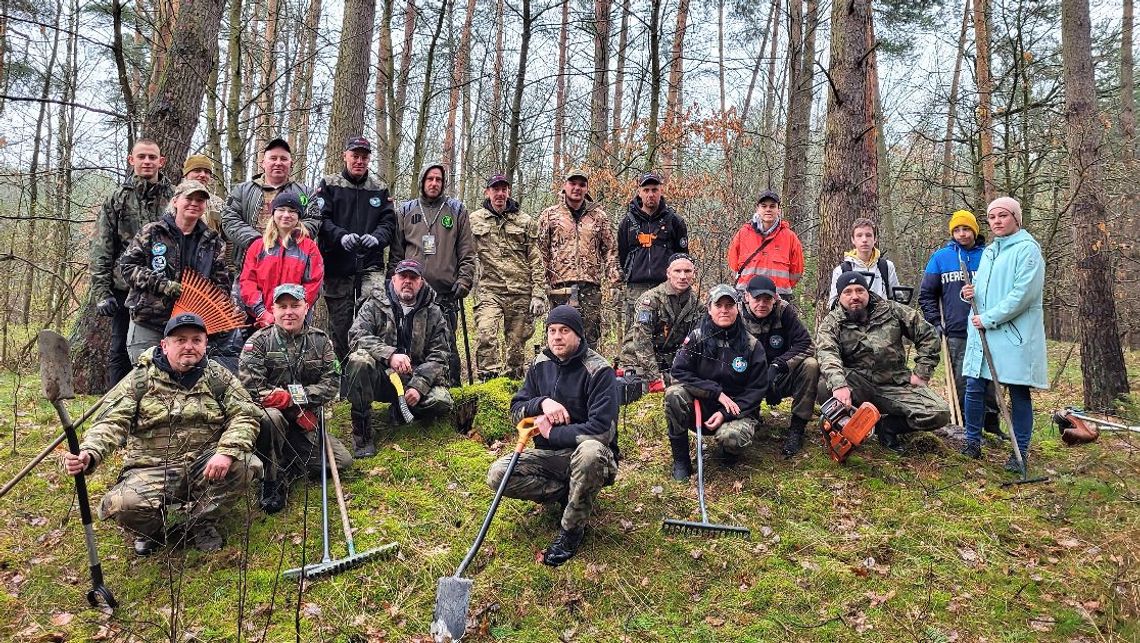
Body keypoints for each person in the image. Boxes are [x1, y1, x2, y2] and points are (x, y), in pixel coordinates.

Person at [61, 313, 261, 555]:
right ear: (164, 345)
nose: (189, 346)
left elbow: (246, 414)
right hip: (152, 468)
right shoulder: (140, 379)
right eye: (180, 340)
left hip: (204, 464)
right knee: (122, 505)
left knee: (245, 465)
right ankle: (154, 530)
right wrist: (89, 452)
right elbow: (111, 421)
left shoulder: (218, 377)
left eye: (196, 340)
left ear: (205, 344)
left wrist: (227, 452)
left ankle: (201, 521)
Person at [489, 305, 619, 567]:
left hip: (593, 458)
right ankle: (566, 494)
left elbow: (602, 431)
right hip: (549, 457)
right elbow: (516, 410)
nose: (557, 337)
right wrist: (542, 403)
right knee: (497, 475)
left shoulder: (600, 371)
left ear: (578, 335)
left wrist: (553, 433)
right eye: (552, 331)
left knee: (590, 452)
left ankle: (572, 530)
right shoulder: (540, 365)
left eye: (564, 331)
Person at [239, 284, 351, 514]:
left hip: (304, 423)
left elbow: (331, 384)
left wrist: (294, 399)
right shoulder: (257, 343)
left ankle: (289, 461)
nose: (288, 312)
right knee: (271, 417)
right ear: (273, 309)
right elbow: (250, 390)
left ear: (306, 307)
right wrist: (284, 404)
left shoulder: (320, 342)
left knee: (342, 462)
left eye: (295, 306)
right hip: (271, 423)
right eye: (282, 306)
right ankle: (271, 481)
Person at [816, 271, 950, 453]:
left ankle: (887, 427)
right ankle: (848, 427)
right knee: (824, 386)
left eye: (859, 290)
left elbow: (928, 335)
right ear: (839, 297)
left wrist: (922, 372)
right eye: (848, 292)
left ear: (867, 292)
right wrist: (839, 384)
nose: (855, 296)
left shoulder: (892, 310)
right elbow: (827, 353)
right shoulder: (832, 322)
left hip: (895, 384)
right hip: (858, 384)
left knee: (939, 413)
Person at [959, 197, 1047, 471]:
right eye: (992, 217)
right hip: (983, 330)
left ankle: (1019, 454)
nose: (996, 221)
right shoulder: (989, 252)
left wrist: (988, 319)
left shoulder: (1028, 251)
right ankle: (972, 444)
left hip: (1012, 334)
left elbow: (1022, 296)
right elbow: (986, 290)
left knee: (1018, 392)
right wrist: (969, 293)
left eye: (1002, 216)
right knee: (974, 386)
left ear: (1016, 219)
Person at [344, 259, 454, 457]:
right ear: (394, 279)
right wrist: (389, 355)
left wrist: (419, 386)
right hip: (381, 377)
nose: (407, 282)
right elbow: (356, 336)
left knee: (441, 401)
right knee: (359, 360)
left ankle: (402, 409)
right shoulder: (374, 304)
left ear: (421, 282)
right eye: (403, 276)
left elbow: (440, 354)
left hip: (413, 378)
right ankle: (362, 432)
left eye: (413, 277)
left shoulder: (434, 311)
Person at [90, 138, 174, 385]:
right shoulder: (117, 199)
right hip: (125, 289)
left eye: (152, 157)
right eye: (141, 157)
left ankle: (161, 402)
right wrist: (101, 292)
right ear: (132, 160)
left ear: (161, 161)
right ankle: (116, 406)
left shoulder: (175, 198)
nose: (147, 161)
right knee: (119, 349)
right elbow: (101, 248)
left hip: (165, 289)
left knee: (166, 347)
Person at [119, 180, 232, 362]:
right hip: (150, 321)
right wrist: (163, 285)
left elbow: (222, 284)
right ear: (175, 201)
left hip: (190, 327)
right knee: (147, 377)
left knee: (189, 382)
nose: (194, 203)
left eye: (200, 200)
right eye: (189, 198)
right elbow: (127, 267)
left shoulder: (213, 241)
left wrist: (207, 302)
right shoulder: (152, 232)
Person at [665, 285, 769, 479]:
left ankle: (728, 454)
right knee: (674, 394)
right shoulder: (696, 339)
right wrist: (715, 392)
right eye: (718, 305)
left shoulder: (752, 345)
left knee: (732, 438)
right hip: (701, 407)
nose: (724, 310)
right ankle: (681, 461)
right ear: (709, 309)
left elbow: (757, 389)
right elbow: (679, 373)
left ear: (737, 309)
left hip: (737, 410)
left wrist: (725, 413)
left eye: (729, 305)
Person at [390, 163, 475, 386]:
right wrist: (393, 288)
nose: (434, 183)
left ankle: (452, 392)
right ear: (422, 181)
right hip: (411, 295)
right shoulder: (406, 211)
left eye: (438, 179)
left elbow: (467, 251)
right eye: (430, 179)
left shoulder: (456, 210)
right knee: (411, 344)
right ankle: (410, 392)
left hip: (446, 294)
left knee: (446, 346)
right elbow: (396, 254)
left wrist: (465, 279)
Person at [918, 209, 1000, 435]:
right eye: (957, 230)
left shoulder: (989, 256)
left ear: (974, 230)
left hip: (988, 327)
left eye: (966, 229)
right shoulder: (941, 258)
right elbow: (926, 295)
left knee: (990, 379)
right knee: (963, 381)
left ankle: (991, 426)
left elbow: (1001, 289)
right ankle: (967, 426)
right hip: (956, 331)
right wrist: (935, 321)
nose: (962, 234)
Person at [315, 136, 396, 362]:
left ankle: (372, 372)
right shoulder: (329, 185)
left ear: (369, 159)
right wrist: (340, 237)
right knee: (340, 325)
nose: (359, 161)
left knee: (374, 318)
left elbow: (389, 223)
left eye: (364, 157)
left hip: (370, 266)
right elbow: (321, 220)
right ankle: (343, 374)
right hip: (337, 267)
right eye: (355, 156)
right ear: (345, 156)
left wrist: (377, 238)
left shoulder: (379, 188)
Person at [469, 173, 546, 380]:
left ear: (508, 192)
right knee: (485, 333)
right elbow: (464, 253)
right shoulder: (474, 220)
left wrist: (538, 293)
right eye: (496, 189)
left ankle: (513, 385)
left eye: (504, 189)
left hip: (520, 291)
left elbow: (536, 259)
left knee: (516, 345)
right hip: (489, 290)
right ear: (488, 192)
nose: (500, 194)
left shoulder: (525, 221)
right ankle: (488, 382)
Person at [537, 168, 621, 347]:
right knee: (560, 338)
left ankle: (589, 374)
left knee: (589, 338)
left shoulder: (599, 217)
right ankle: (559, 373)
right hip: (560, 287)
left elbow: (610, 251)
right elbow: (541, 252)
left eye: (582, 185)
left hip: (590, 287)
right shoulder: (550, 215)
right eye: (572, 183)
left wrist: (615, 283)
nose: (577, 188)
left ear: (587, 188)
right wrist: (540, 286)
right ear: (565, 186)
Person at [740, 275, 819, 456]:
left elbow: (806, 344)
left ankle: (797, 430)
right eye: (757, 298)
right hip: (746, 377)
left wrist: (776, 367)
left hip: (778, 374)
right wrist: (762, 379)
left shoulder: (784, 311)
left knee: (810, 365)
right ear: (746, 297)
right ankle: (750, 417)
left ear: (775, 298)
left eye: (767, 299)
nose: (762, 304)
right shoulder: (736, 316)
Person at [221, 138, 318, 271]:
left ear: (291, 164)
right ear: (263, 163)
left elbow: (313, 221)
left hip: (290, 266)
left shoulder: (305, 193)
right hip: (248, 265)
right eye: (273, 158)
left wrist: (286, 239)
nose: (278, 163)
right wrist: (256, 242)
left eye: (283, 159)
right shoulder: (242, 191)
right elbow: (229, 220)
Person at [238, 190, 324, 328]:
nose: (286, 215)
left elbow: (313, 284)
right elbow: (247, 281)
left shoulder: (309, 248)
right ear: (273, 213)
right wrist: (262, 312)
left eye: (292, 211)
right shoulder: (258, 246)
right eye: (281, 210)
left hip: (295, 322)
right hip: (260, 320)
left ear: (298, 216)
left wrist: (291, 312)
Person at [617, 172, 688, 329]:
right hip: (636, 289)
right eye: (646, 190)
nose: (650, 194)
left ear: (661, 191)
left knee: (667, 332)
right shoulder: (627, 222)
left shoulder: (674, 221)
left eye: (654, 190)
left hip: (666, 287)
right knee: (634, 333)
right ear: (639, 192)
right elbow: (621, 256)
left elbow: (682, 257)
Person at [618, 253, 701, 387]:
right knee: (636, 389)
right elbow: (641, 341)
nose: (682, 276)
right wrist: (654, 377)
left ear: (694, 274)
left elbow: (699, 341)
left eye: (687, 271)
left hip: (669, 363)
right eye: (677, 271)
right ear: (668, 273)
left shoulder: (697, 305)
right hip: (639, 361)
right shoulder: (651, 300)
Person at [727, 190, 805, 299]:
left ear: (778, 210)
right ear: (757, 209)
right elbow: (733, 266)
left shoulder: (790, 237)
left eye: (772, 206)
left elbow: (797, 272)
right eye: (764, 206)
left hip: (779, 299)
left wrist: (781, 288)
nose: (768, 209)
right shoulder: (743, 234)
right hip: (746, 297)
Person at [827, 217, 902, 307]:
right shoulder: (842, 270)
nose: (864, 240)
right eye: (859, 235)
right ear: (853, 240)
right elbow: (833, 304)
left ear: (875, 239)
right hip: (853, 318)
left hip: (883, 318)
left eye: (868, 235)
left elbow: (897, 299)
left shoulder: (886, 266)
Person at [181, 154, 226, 235]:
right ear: (186, 174)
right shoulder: (173, 198)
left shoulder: (218, 203)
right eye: (197, 170)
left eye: (207, 172)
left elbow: (227, 236)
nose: (203, 175)